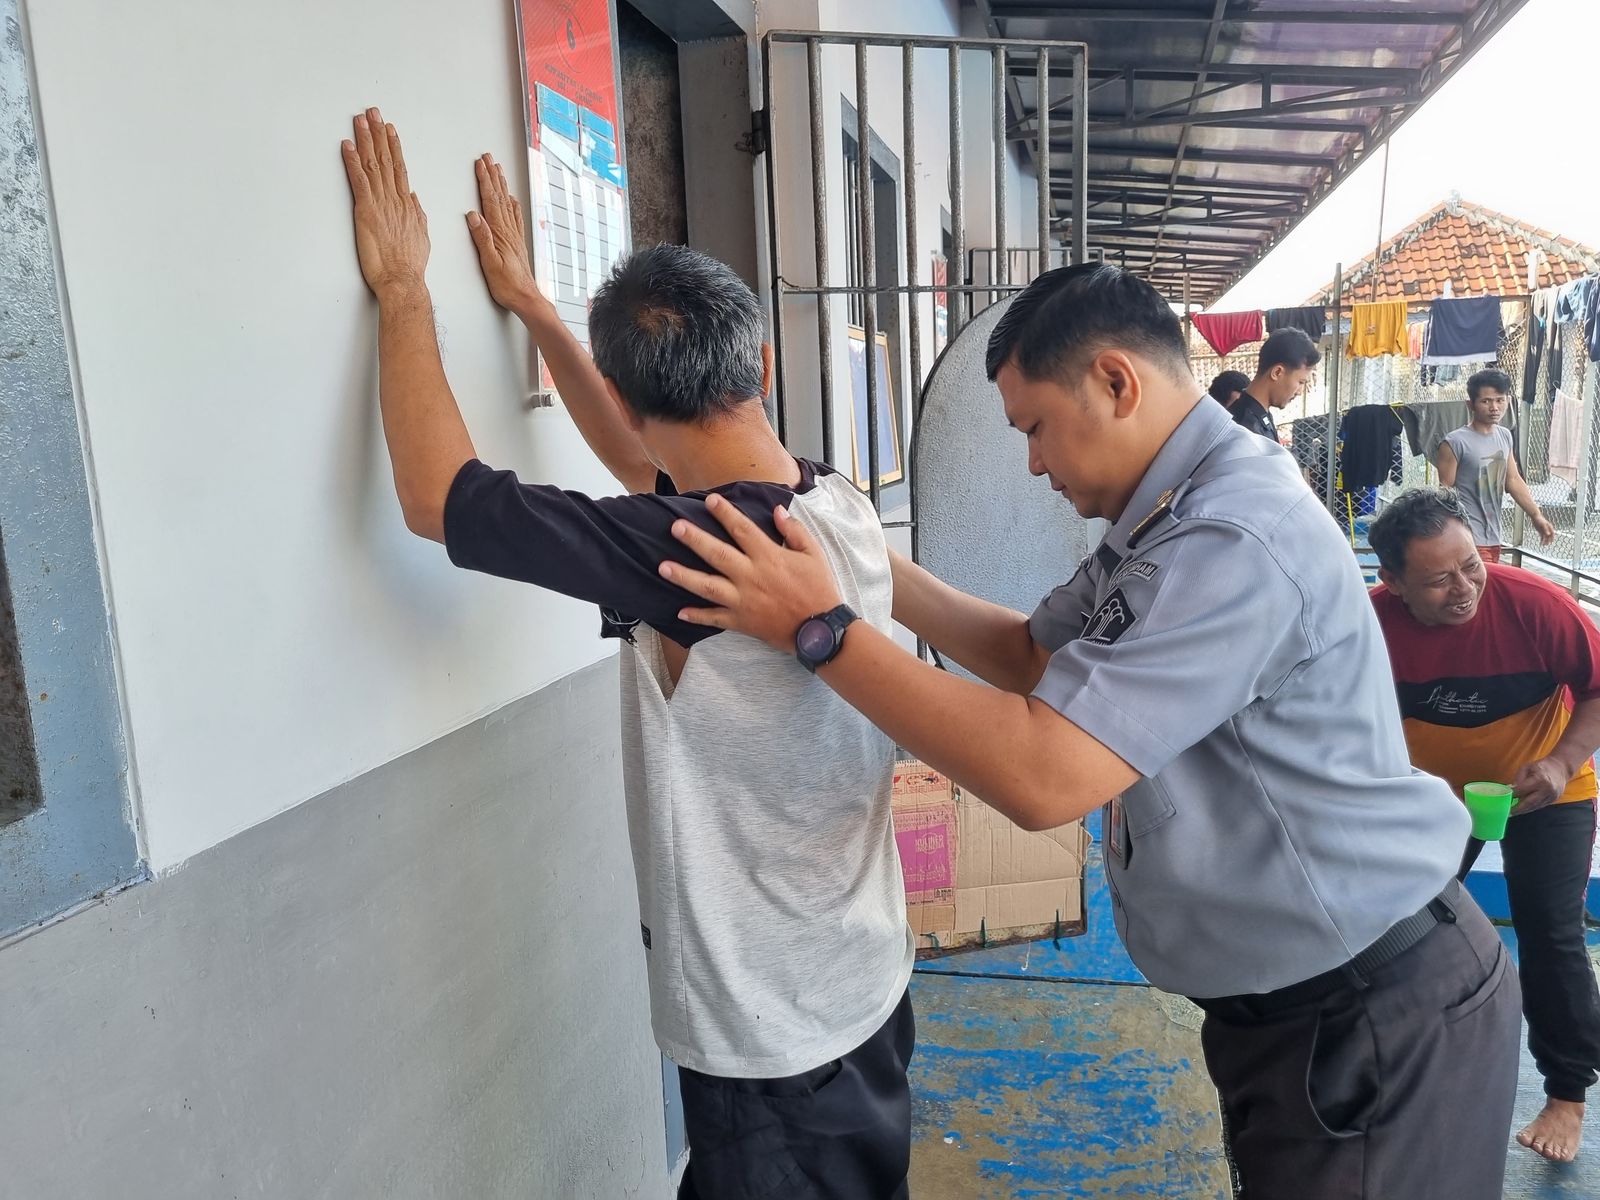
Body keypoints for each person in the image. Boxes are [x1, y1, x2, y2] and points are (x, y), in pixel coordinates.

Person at [659, 262, 1522, 1199]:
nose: (1034, 463)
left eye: (1035, 427)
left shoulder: (1234, 533)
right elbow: (1032, 654)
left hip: (1372, 1013)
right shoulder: (1164, 515)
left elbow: (1047, 775)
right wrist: (855, 553)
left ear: (1115, 381)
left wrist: (822, 630)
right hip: (1299, 1013)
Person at [340, 109, 915, 1199]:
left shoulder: (690, 549)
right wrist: (536, 309)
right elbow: (637, 457)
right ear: (761, 360)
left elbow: (436, 496)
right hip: (862, 980)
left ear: (626, 391)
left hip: (771, 1035)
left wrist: (405, 290)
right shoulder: (826, 496)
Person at [1369, 487, 1600, 1164]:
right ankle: (1400, 1072)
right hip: (1432, 799)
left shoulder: (1533, 605)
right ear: (1393, 582)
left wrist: (1560, 762)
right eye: (1439, 580)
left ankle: (1567, 1093)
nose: (1465, 589)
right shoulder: (1367, 624)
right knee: (1397, 929)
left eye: (1471, 565)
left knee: (1550, 929)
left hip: (1547, 791)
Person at [1435, 367, 1555, 562]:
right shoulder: (1454, 442)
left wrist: (1536, 516)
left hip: (1493, 536)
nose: (1494, 407)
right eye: (1486, 401)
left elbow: (1513, 480)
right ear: (1470, 404)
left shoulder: (1504, 435)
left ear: (1508, 400)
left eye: (1500, 400)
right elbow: (1444, 492)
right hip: (1467, 537)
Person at [1230, 327, 1321, 443]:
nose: (1299, 392)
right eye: (1300, 382)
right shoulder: (1247, 430)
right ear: (1277, 372)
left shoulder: (1258, 414)